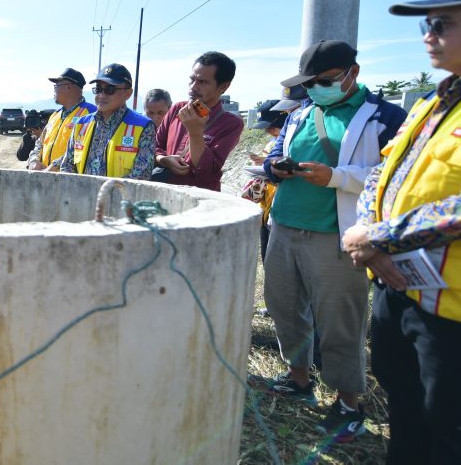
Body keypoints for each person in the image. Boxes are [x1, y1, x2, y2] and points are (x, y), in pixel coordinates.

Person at [342, 0, 461, 464]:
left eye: (443, 24)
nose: (428, 36)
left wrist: (380, 238)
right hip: (401, 293)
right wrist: (365, 231)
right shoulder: (437, 101)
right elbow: (381, 173)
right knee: (408, 422)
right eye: (425, 25)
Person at [259, 40, 407, 442]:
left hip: (336, 235)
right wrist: (276, 166)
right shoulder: (301, 113)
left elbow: (393, 178)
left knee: (339, 320)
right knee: (284, 307)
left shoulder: (385, 117)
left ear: (351, 73)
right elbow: (274, 152)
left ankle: (347, 400)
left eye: (324, 81)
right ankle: (298, 376)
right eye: (309, 84)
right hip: (285, 226)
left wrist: (336, 177)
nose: (314, 90)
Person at [153, 51, 244, 191]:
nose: (193, 87)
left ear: (223, 87)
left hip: (200, 201)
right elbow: (153, 147)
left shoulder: (231, 124)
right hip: (166, 193)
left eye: (203, 82)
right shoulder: (177, 108)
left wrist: (195, 133)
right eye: (192, 79)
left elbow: (207, 172)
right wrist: (164, 160)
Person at [59, 63, 155, 179]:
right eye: (98, 89)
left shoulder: (143, 127)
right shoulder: (80, 124)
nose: (102, 95)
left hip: (120, 197)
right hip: (80, 196)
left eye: (110, 89)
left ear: (128, 93)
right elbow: (67, 166)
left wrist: (105, 195)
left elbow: (141, 176)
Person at [241, 100, 288, 258]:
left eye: (271, 127)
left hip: (281, 205)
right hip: (265, 204)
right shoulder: (272, 143)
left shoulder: (291, 142)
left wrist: (268, 163)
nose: (268, 131)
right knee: (265, 253)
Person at [28, 68, 96, 171]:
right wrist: (33, 161)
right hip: (45, 179)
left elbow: (87, 149)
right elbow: (40, 143)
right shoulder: (54, 116)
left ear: (68, 86)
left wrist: (56, 165)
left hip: (70, 182)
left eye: (56, 85)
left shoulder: (91, 114)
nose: (54, 89)